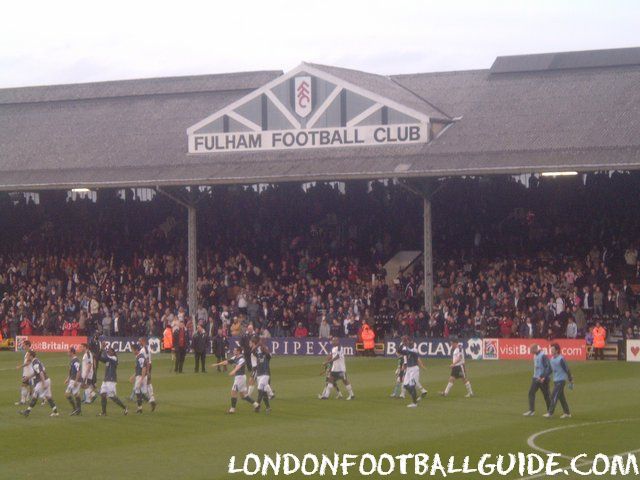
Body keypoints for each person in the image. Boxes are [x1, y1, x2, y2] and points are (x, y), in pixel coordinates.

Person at [212, 346, 259, 414]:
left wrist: (233, 371)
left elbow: (238, 366)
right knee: (243, 396)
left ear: (238, 351)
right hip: (239, 377)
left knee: (233, 391)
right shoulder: (235, 357)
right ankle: (256, 405)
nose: (233, 351)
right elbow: (227, 362)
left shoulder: (242, 359)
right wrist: (217, 364)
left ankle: (232, 409)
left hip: (240, 377)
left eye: (234, 350)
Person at [20, 351, 59, 417]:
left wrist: (43, 383)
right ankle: (55, 412)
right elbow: (36, 372)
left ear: (31, 356)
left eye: (28, 355)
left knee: (35, 396)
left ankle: (27, 411)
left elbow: (41, 373)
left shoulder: (35, 363)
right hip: (47, 380)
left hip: (42, 382)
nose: (27, 357)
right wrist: (27, 377)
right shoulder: (36, 361)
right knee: (48, 397)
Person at [97, 344, 128, 416]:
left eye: (109, 351)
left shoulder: (114, 358)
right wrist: (101, 349)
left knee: (112, 397)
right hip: (105, 380)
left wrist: (103, 349)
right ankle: (104, 412)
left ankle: (125, 408)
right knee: (103, 395)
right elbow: (98, 357)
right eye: (108, 351)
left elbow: (107, 357)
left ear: (113, 352)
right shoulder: (108, 359)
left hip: (111, 380)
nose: (108, 352)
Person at [544, 343, 573, 419]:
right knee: (561, 397)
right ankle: (567, 413)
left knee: (554, 395)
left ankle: (550, 412)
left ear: (557, 350)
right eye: (551, 349)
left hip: (561, 381)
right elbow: (550, 370)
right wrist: (544, 376)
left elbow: (567, 369)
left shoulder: (561, 359)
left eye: (553, 349)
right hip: (556, 380)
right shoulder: (552, 359)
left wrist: (570, 379)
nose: (551, 351)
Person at [523, 344, 551, 417]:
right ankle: (531, 410)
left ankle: (550, 411)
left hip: (543, 379)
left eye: (531, 350)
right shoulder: (535, 355)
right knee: (531, 393)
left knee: (546, 395)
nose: (530, 351)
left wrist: (543, 377)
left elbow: (548, 367)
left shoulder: (543, 356)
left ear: (535, 349)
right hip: (535, 378)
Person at [399, 335, 425, 407]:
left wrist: (405, 344)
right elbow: (399, 351)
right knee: (405, 385)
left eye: (405, 341)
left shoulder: (414, 349)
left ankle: (414, 403)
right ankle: (415, 398)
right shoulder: (406, 347)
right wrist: (402, 344)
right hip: (409, 369)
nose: (404, 342)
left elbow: (410, 352)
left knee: (412, 386)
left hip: (414, 369)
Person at [251, 338, 272, 414]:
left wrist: (262, 345)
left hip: (265, 375)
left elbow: (267, 353)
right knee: (262, 392)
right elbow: (253, 351)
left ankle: (257, 406)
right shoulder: (258, 355)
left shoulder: (267, 356)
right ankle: (268, 407)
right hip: (259, 375)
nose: (261, 349)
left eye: (262, 348)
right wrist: (258, 344)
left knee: (260, 390)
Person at [138, 337, 157, 411]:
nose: (139, 342)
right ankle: (151, 399)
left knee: (142, 383)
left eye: (140, 341)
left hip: (146, 366)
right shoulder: (146, 348)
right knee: (148, 383)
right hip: (147, 366)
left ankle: (149, 399)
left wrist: (148, 371)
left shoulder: (144, 349)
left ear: (143, 341)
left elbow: (146, 360)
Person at [64, 347, 83, 416]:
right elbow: (71, 371)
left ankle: (75, 409)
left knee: (67, 394)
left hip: (75, 380)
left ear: (72, 352)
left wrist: (75, 381)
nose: (67, 353)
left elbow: (79, 371)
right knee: (76, 394)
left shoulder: (76, 361)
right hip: (73, 379)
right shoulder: (73, 360)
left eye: (68, 352)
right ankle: (78, 410)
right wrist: (68, 378)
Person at [131, 343, 148, 414]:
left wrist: (141, 379)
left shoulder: (140, 357)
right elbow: (139, 369)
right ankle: (140, 408)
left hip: (141, 376)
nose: (132, 351)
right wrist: (133, 376)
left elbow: (144, 368)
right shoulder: (138, 356)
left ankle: (149, 401)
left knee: (138, 391)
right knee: (138, 391)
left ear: (136, 350)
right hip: (139, 376)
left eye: (133, 350)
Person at [15, 339, 33, 406]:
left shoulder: (29, 353)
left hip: (28, 373)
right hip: (27, 372)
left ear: (28, 345)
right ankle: (27, 398)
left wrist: (20, 366)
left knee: (24, 386)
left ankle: (23, 401)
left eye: (24, 345)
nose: (23, 346)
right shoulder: (28, 352)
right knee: (28, 387)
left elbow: (28, 363)